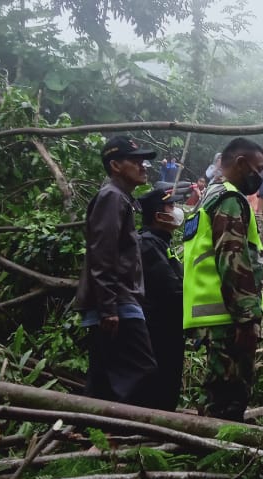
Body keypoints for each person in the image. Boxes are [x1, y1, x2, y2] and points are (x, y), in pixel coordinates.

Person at [181, 137, 263, 421]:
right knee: (229, 399)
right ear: (241, 164)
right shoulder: (229, 199)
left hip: (210, 313)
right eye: (259, 168)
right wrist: (246, 316)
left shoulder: (210, 195)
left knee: (217, 390)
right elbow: (232, 260)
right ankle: (215, 457)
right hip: (228, 316)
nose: (260, 176)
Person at [74, 135, 158, 407]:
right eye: (135, 161)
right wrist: (108, 308)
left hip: (117, 301)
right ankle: (119, 432)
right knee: (141, 368)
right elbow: (102, 253)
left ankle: (91, 433)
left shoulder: (121, 198)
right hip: (118, 302)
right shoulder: (111, 197)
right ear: (115, 166)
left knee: (104, 375)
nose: (143, 166)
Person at [134, 186, 186, 411]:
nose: (176, 210)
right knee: (161, 383)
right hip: (158, 328)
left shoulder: (160, 243)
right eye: (171, 206)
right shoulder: (147, 244)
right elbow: (170, 288)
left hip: (168, 327)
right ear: (158, 216)